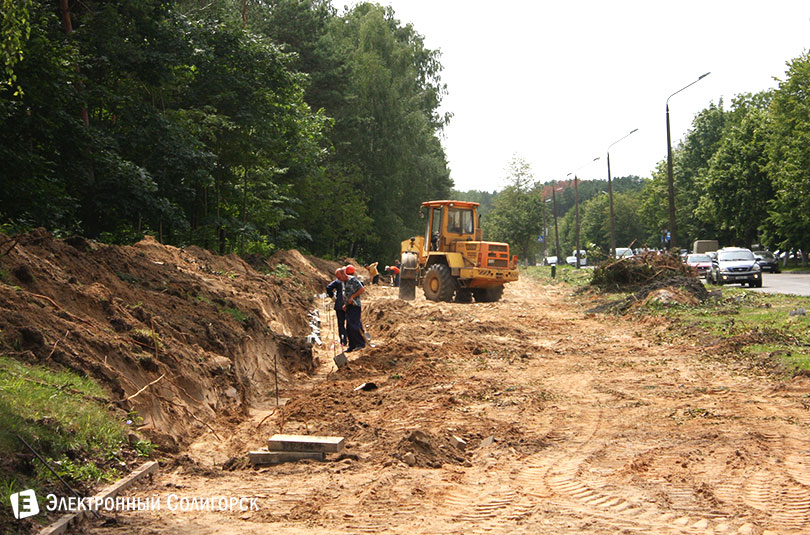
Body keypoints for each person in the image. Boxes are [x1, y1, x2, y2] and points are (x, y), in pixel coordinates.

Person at [340, 265, 365, 352]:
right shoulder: (344, 282)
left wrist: (353, 297)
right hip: (349, 306)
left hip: (355, 306)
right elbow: (346, 294)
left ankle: (360, 343)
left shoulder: (353, 280)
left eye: (340, 277)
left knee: (354, 325)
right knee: (349, 327)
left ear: (344, 274)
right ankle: (352, 345)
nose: (339, 279)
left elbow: (362, 289)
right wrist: (345, 304)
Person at [326, 268, 347, 346]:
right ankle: (349, 339)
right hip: (348, 305)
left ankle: (343, 341)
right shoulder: (351, 280)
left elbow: (328, 288)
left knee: (341, 323)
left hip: (340, 305)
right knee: (350, 323)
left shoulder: (337, 282)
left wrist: (333, 297)